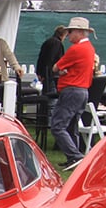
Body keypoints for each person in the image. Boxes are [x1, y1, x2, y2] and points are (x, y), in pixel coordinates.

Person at [50, 16, 96, 171]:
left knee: (57, 126)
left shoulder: (76, 49)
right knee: (71, 126)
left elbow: (56, 68)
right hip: (83, 91)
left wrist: (63, 71)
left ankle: (75, 156)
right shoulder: (90, 48)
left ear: (78, 32)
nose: (68, 35)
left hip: (72, 90)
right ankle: (74, 157)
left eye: (70, 32)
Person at [35, 25, 66, 95]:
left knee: (46, 95)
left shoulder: (47, 42)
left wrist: (39, 73)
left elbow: (41, 58)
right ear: (63, 35)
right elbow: (53, 60)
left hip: (45, 74)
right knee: (52, 97)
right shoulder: (58, 44)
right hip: (52, 76)